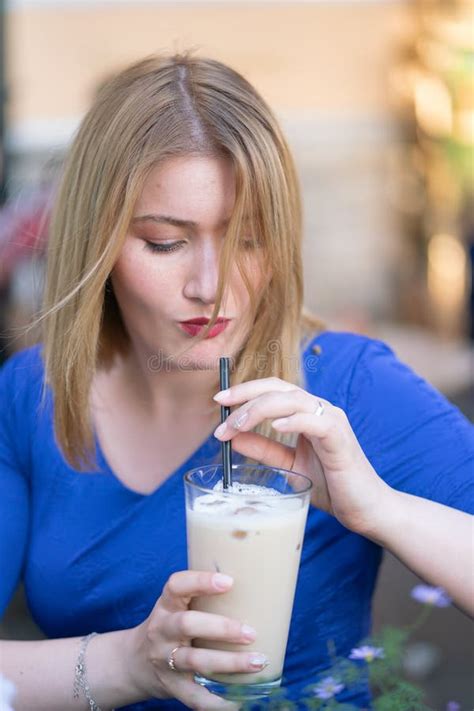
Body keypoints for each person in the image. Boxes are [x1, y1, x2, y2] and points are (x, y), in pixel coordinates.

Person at [0, 53, 472, 711]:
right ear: (96, 244)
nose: (211, 286)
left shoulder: (347, 385)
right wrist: (129, 663)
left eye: (248, 238)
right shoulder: (32, 394)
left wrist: (381, 509)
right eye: (165, 242)